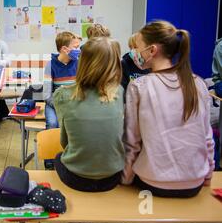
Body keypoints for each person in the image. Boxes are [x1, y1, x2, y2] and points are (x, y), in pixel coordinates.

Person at [122, 21, 214, 198]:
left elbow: (132, 142)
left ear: (152, 50)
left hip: (152, 182)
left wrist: (125, 179)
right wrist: (208, 175)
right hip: (194, 183)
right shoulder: (198, 83)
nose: (135, 53)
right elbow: (207, 137)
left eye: (138, 47)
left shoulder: (139, 86)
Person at [53, 37, 125, 192]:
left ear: (82, 62)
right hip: (113, 177)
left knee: (58, 157)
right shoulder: (119, 92)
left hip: (76, 179)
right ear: (115, 64)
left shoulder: (63, 95)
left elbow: (65, 142)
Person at [43, 31, 81, 130]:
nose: (79, 50)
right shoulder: (50, 65)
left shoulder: (79, 64)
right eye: (76, 47)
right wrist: (60, 106)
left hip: (73, 104)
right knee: (52, 124)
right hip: (54, 104)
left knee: (68, 126)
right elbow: (46, 95)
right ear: (64, 49)